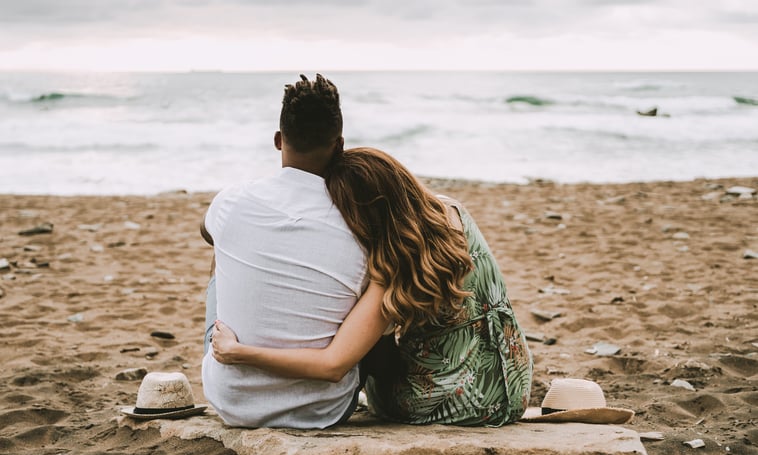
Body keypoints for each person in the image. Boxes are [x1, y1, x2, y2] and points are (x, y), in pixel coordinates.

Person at [211, 147, 533, 426]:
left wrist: (239, 352)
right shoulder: (450, 212)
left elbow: (334, 365)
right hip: (510, 379)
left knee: (362, 339)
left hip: (459, 400)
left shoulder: (393, 267)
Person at [200, 74, 369, 428]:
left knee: (223, 249)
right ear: (339, 145)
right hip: (324, 408)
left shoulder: (233, 201)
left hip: (233, 402)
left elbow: (207, 231)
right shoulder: (359, 220)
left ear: (279, 140)